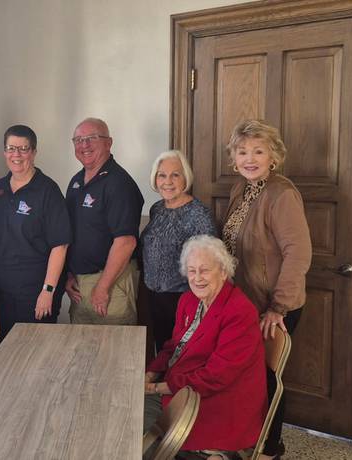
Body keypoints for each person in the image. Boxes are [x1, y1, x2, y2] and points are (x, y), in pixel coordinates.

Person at [220, 119, 311, 459]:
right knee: (246, 376)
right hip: (244, 303)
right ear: (234, 158)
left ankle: (271, 448)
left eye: (258, 151)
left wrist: (279, 306)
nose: (249, 158)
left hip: (273, 305)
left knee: (267, 377)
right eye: (242, 152)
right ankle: (246, 438)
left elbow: (298, 252)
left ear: (273, 156)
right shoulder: (240, 190)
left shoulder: (281, 193)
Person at [144, 235, 266, 458]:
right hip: (186, 386)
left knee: (137, 424)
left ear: (223, 271)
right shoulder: (189, 300)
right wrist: (151, 374)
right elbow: (174, 346)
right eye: (192, 271)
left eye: (205, 270)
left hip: (220, 400)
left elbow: (217, 376)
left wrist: (157, 388)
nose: (197, 278)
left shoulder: (239, 311)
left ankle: (213, 453)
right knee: (130, 413)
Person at [0, 125, 71, 348]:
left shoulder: (48, 191)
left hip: (34, 292)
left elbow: (60, 245)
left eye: (23, 149)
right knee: (5, 355)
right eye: (11, 148)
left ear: (34, 152)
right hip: (2, 292)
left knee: (35, 353)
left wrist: (48, 291)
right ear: (4, 152)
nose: (16, 155)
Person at [64, 117, 144, 325]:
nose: (84, 145)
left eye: (92, 138)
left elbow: (126, 242)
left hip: (111, 283)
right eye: (78, 140)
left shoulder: (119, 183)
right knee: (81, 351)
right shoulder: (76, 182)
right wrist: (69, 274)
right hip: (80, 285)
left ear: (108, 143)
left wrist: (103, 287)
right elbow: (71, 232)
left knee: (114, 352)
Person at [140, 150, 217, 352]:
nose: (168, 181)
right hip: (153, 297)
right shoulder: (157, 208)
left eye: (176, 175)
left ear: (186, 179)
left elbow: (211, 262)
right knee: (161, 352)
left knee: (180, 356)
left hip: (183, 298)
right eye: (162, 175)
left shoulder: (198, 214)